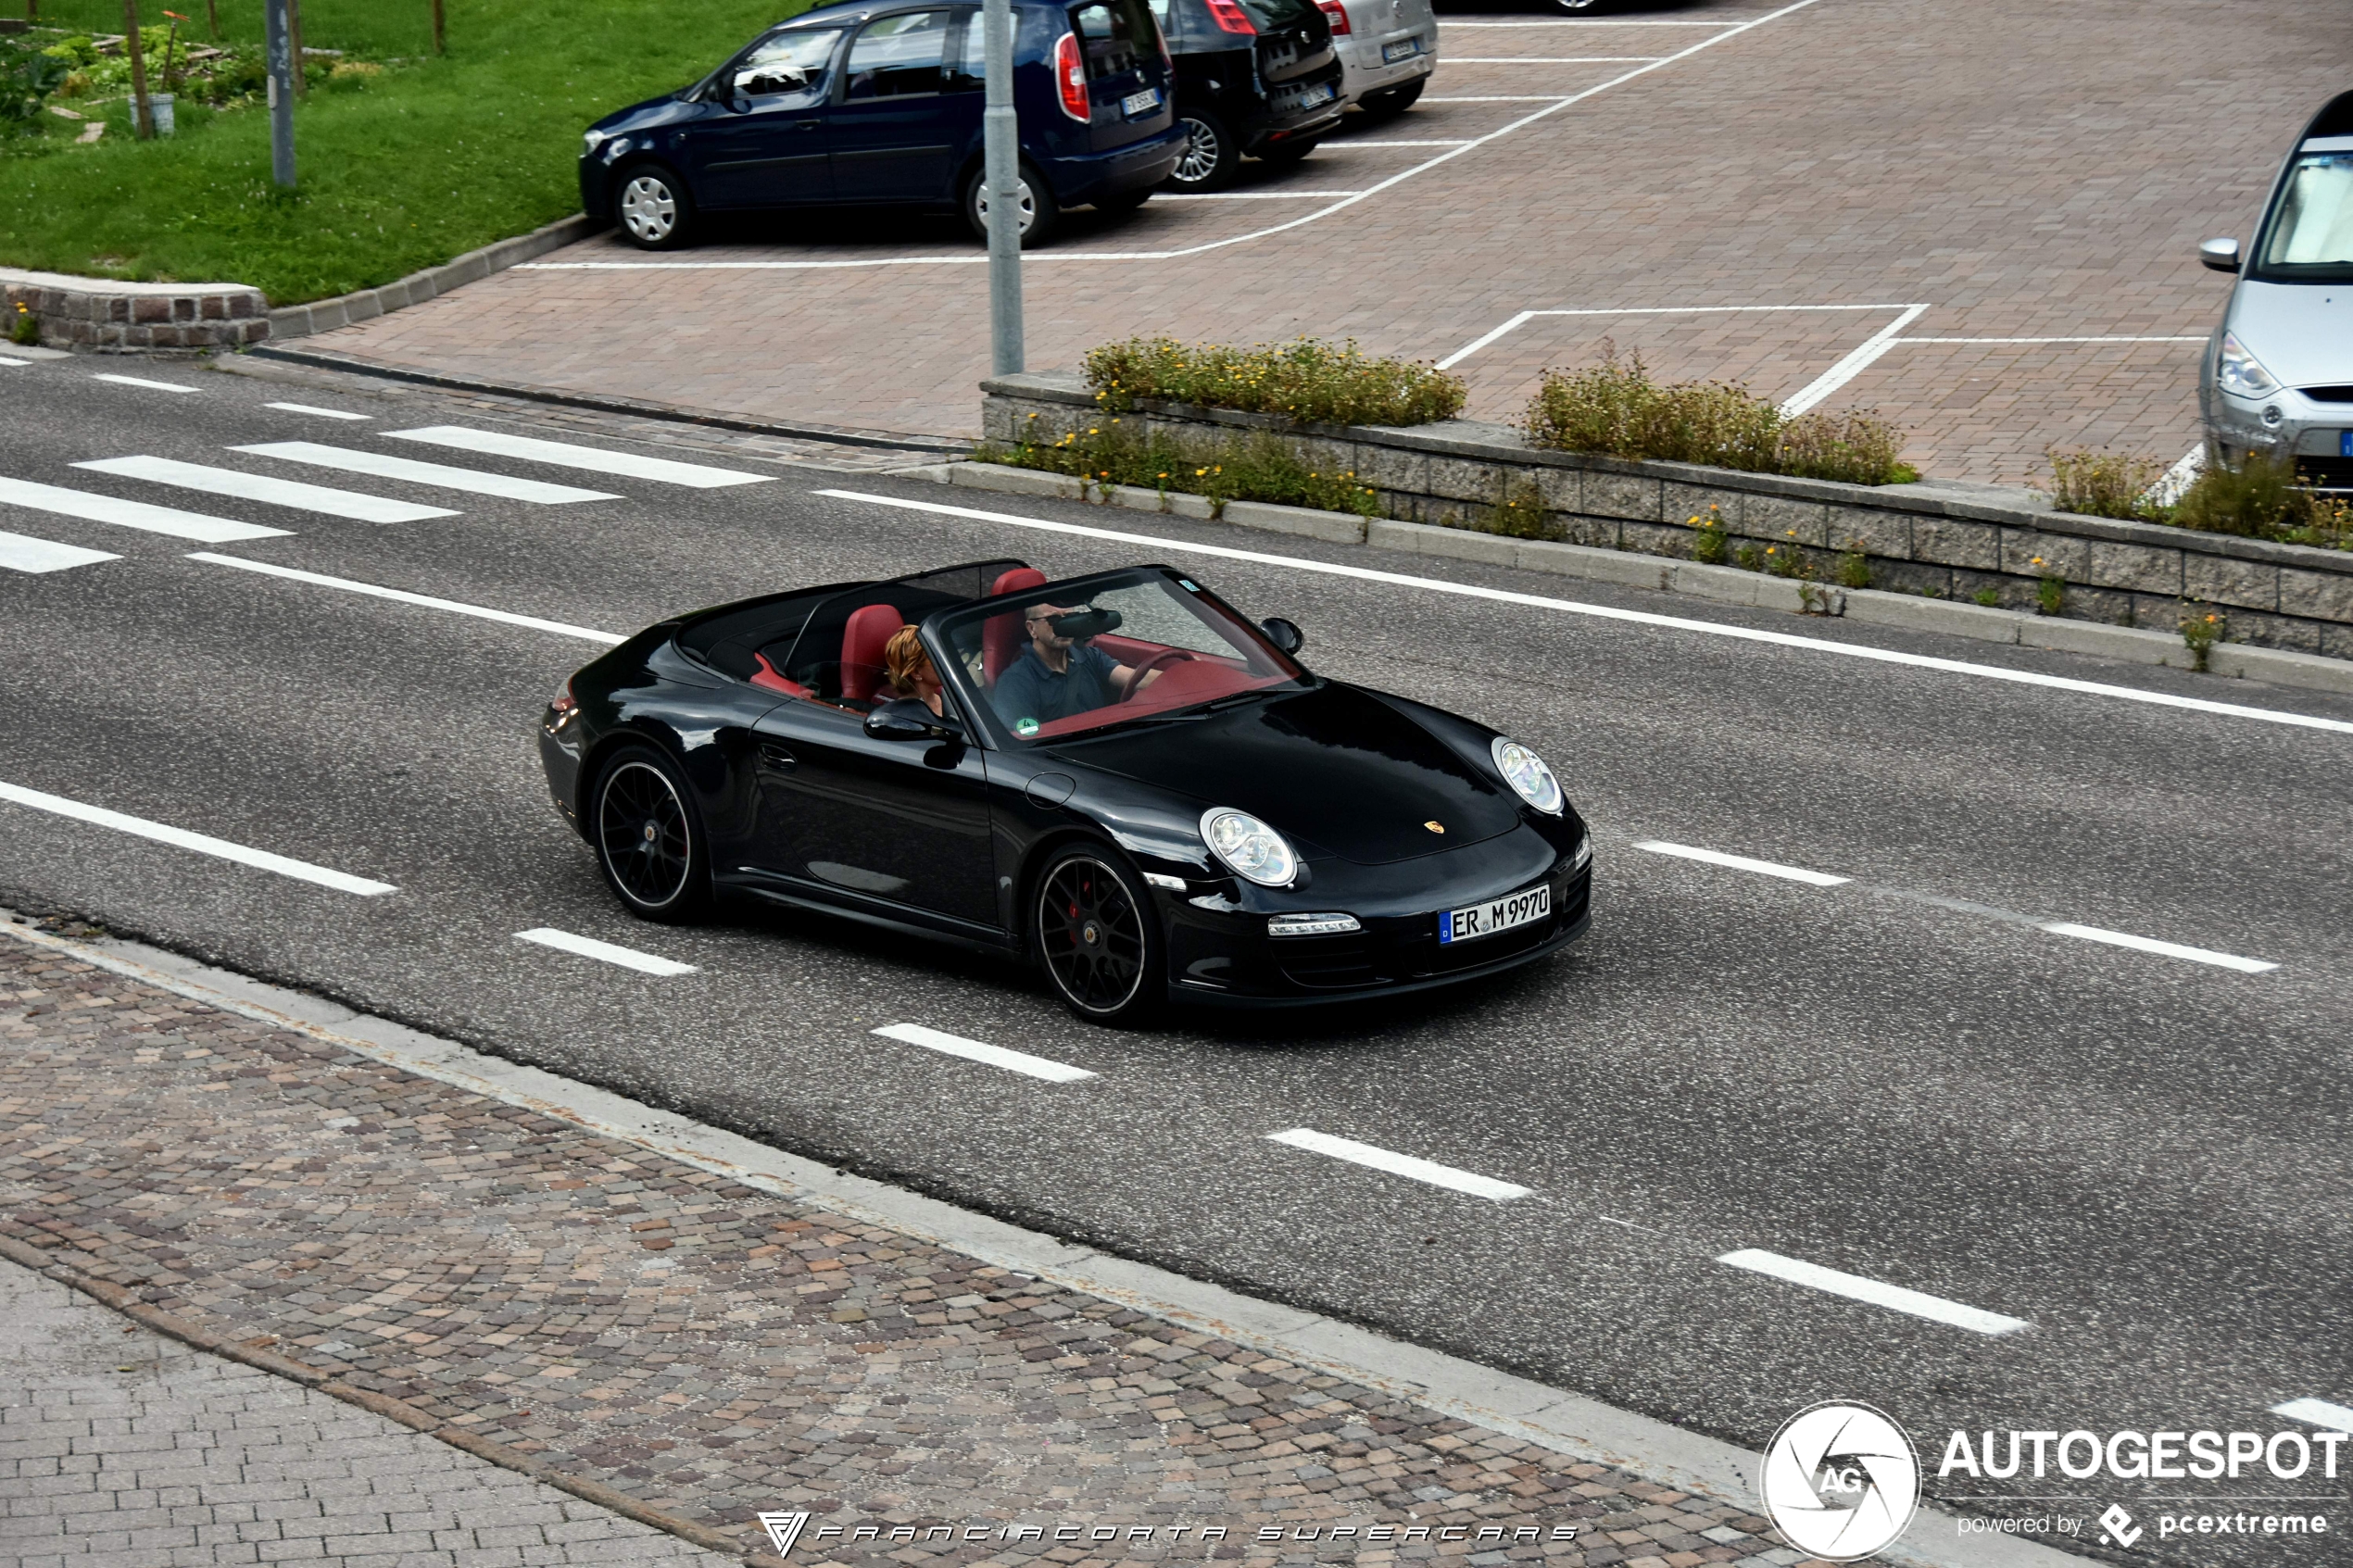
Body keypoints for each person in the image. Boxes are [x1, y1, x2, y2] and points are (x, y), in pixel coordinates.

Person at [991, 602, 1155, 729]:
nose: (1064, 626)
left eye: (1069, 618)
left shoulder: (1090, 657)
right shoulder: (1016, 682)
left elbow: (1136, 678)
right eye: (1053, 619)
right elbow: (1022, 741)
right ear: (1032, 628)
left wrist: (1178, 678)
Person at [872, 625, 950, 724]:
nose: (946, 663)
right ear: (916, 672)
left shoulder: (947, 698)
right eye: (937, 659)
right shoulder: (901, 715)